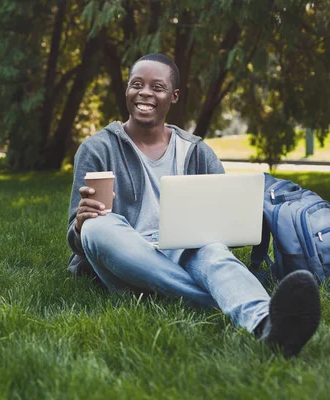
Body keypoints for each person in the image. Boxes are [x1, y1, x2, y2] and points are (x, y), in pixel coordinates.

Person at [66, 53, 321, 358]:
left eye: (157, 87)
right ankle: (231, 301)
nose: (145, 92)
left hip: (184, 248)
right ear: (127, 91)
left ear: (173, 97)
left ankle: (268, 325)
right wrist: (82, 223)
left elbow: (224, 223)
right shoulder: (97, 148)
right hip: (124, 253)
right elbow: (76, 241)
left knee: (212, 251)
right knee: (97, 229)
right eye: (137, 84)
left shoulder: (197, 151)